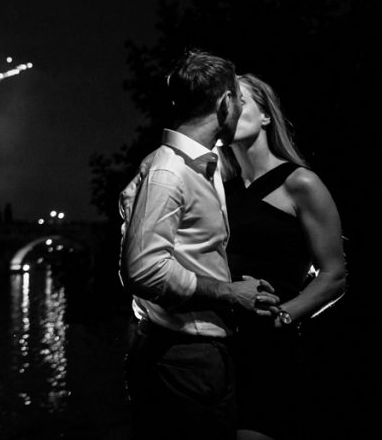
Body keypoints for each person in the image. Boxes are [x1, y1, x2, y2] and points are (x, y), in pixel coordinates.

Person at [119, 50, 279, 440]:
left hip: (197, 355)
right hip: (182, 358)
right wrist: (228, 293)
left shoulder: (200, 164)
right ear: (225, 104)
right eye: (238, 100)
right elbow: (143, 270)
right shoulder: (169, 173)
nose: (240, 108)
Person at [223, 74, 347, 440]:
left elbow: (335, 274)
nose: (229, 108)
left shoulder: (300, 183)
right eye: (223, 101)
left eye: (239, 99)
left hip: (272, 348)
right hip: (223, 340)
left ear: (265, 116)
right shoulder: (220, 188)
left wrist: (284, 317)